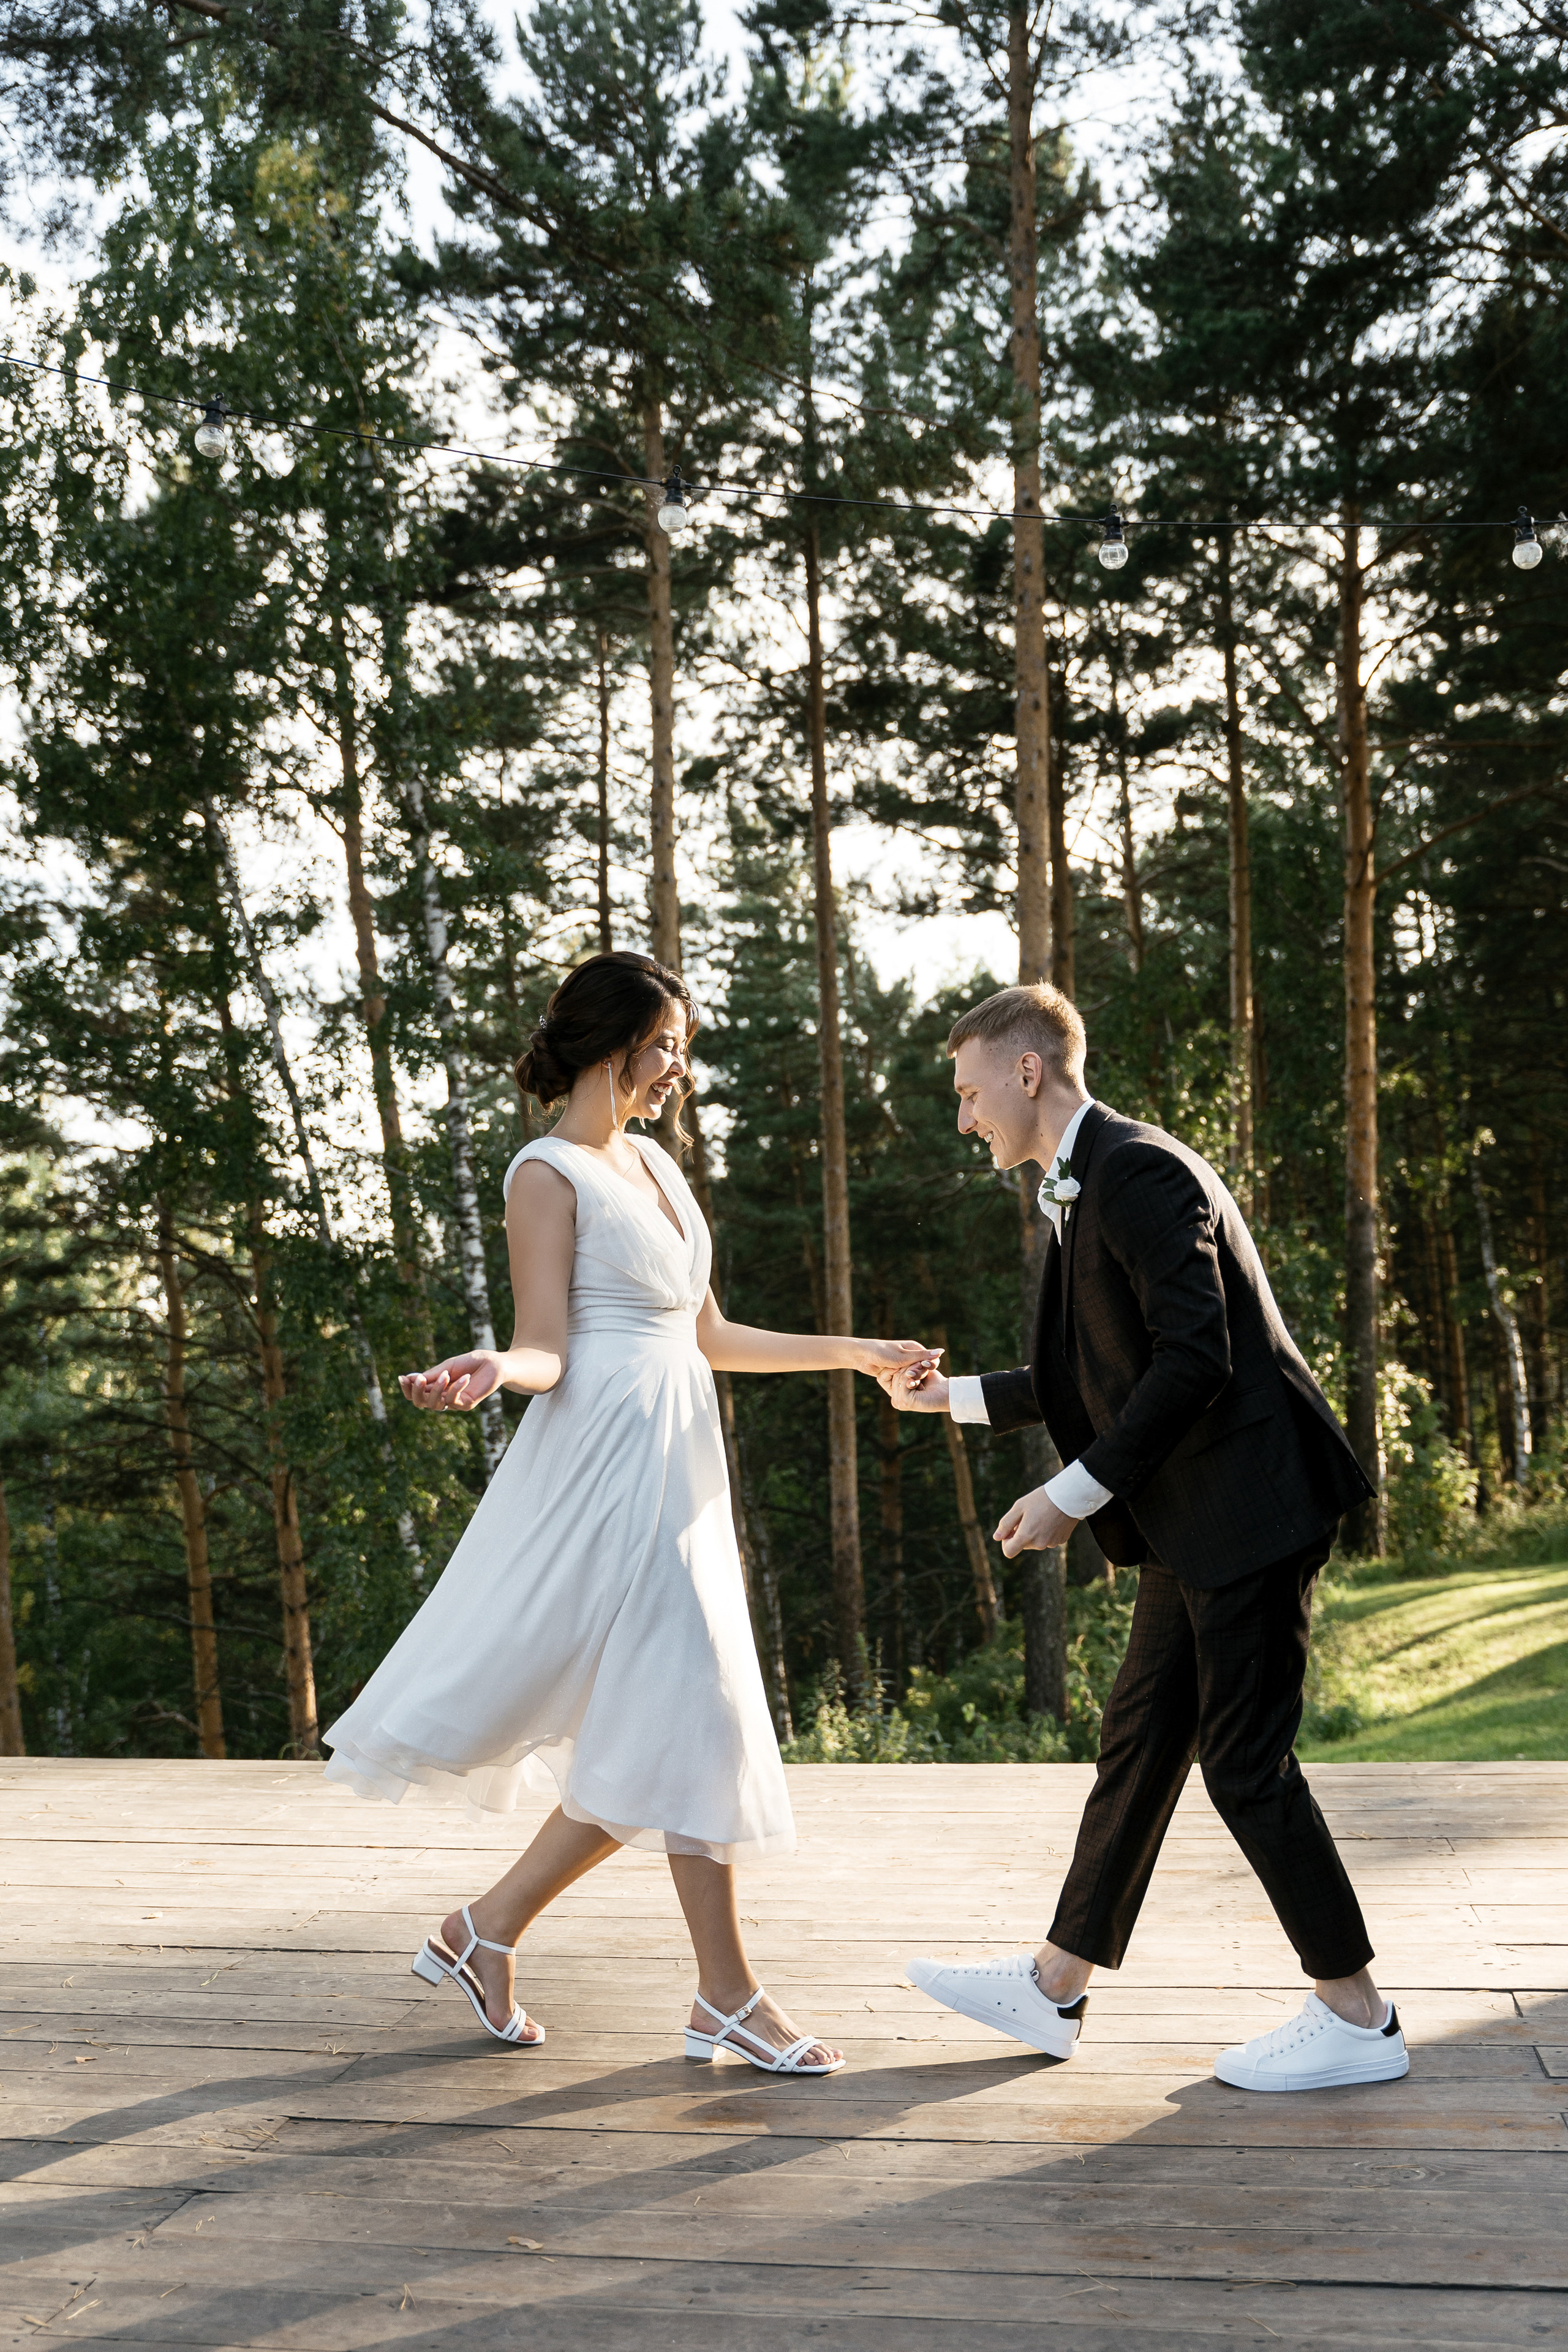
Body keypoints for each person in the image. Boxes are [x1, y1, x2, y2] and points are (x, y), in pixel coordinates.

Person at [324, 949, 932, 2076]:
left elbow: (711, 1337)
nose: (677, 1074)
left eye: (681, 1053)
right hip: (604, 1469)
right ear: (612, 1049)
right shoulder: (543, 1173)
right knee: (690, 1712)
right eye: (666, 1051)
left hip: (680, 1467)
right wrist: (492, 1368)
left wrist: (858, 1354)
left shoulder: (655, 1164)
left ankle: (487, 1933)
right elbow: (550, 1347)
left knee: (669, 1722)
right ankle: (724, 1995)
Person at [883, 982, 1410, 2095]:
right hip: (1194, 1520)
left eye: (970, 1092)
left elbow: (1197, 1360)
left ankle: (1358, 2019)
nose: (965, 1117)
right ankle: (1054, 1983)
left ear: (1028, 1072)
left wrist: (1070, 1496)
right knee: (1140, 1743)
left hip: (1251, 1511)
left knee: (1245, 1764)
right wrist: (953, 1399)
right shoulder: (1092, 1179)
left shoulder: (1137, 1170)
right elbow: (1096, 1375)